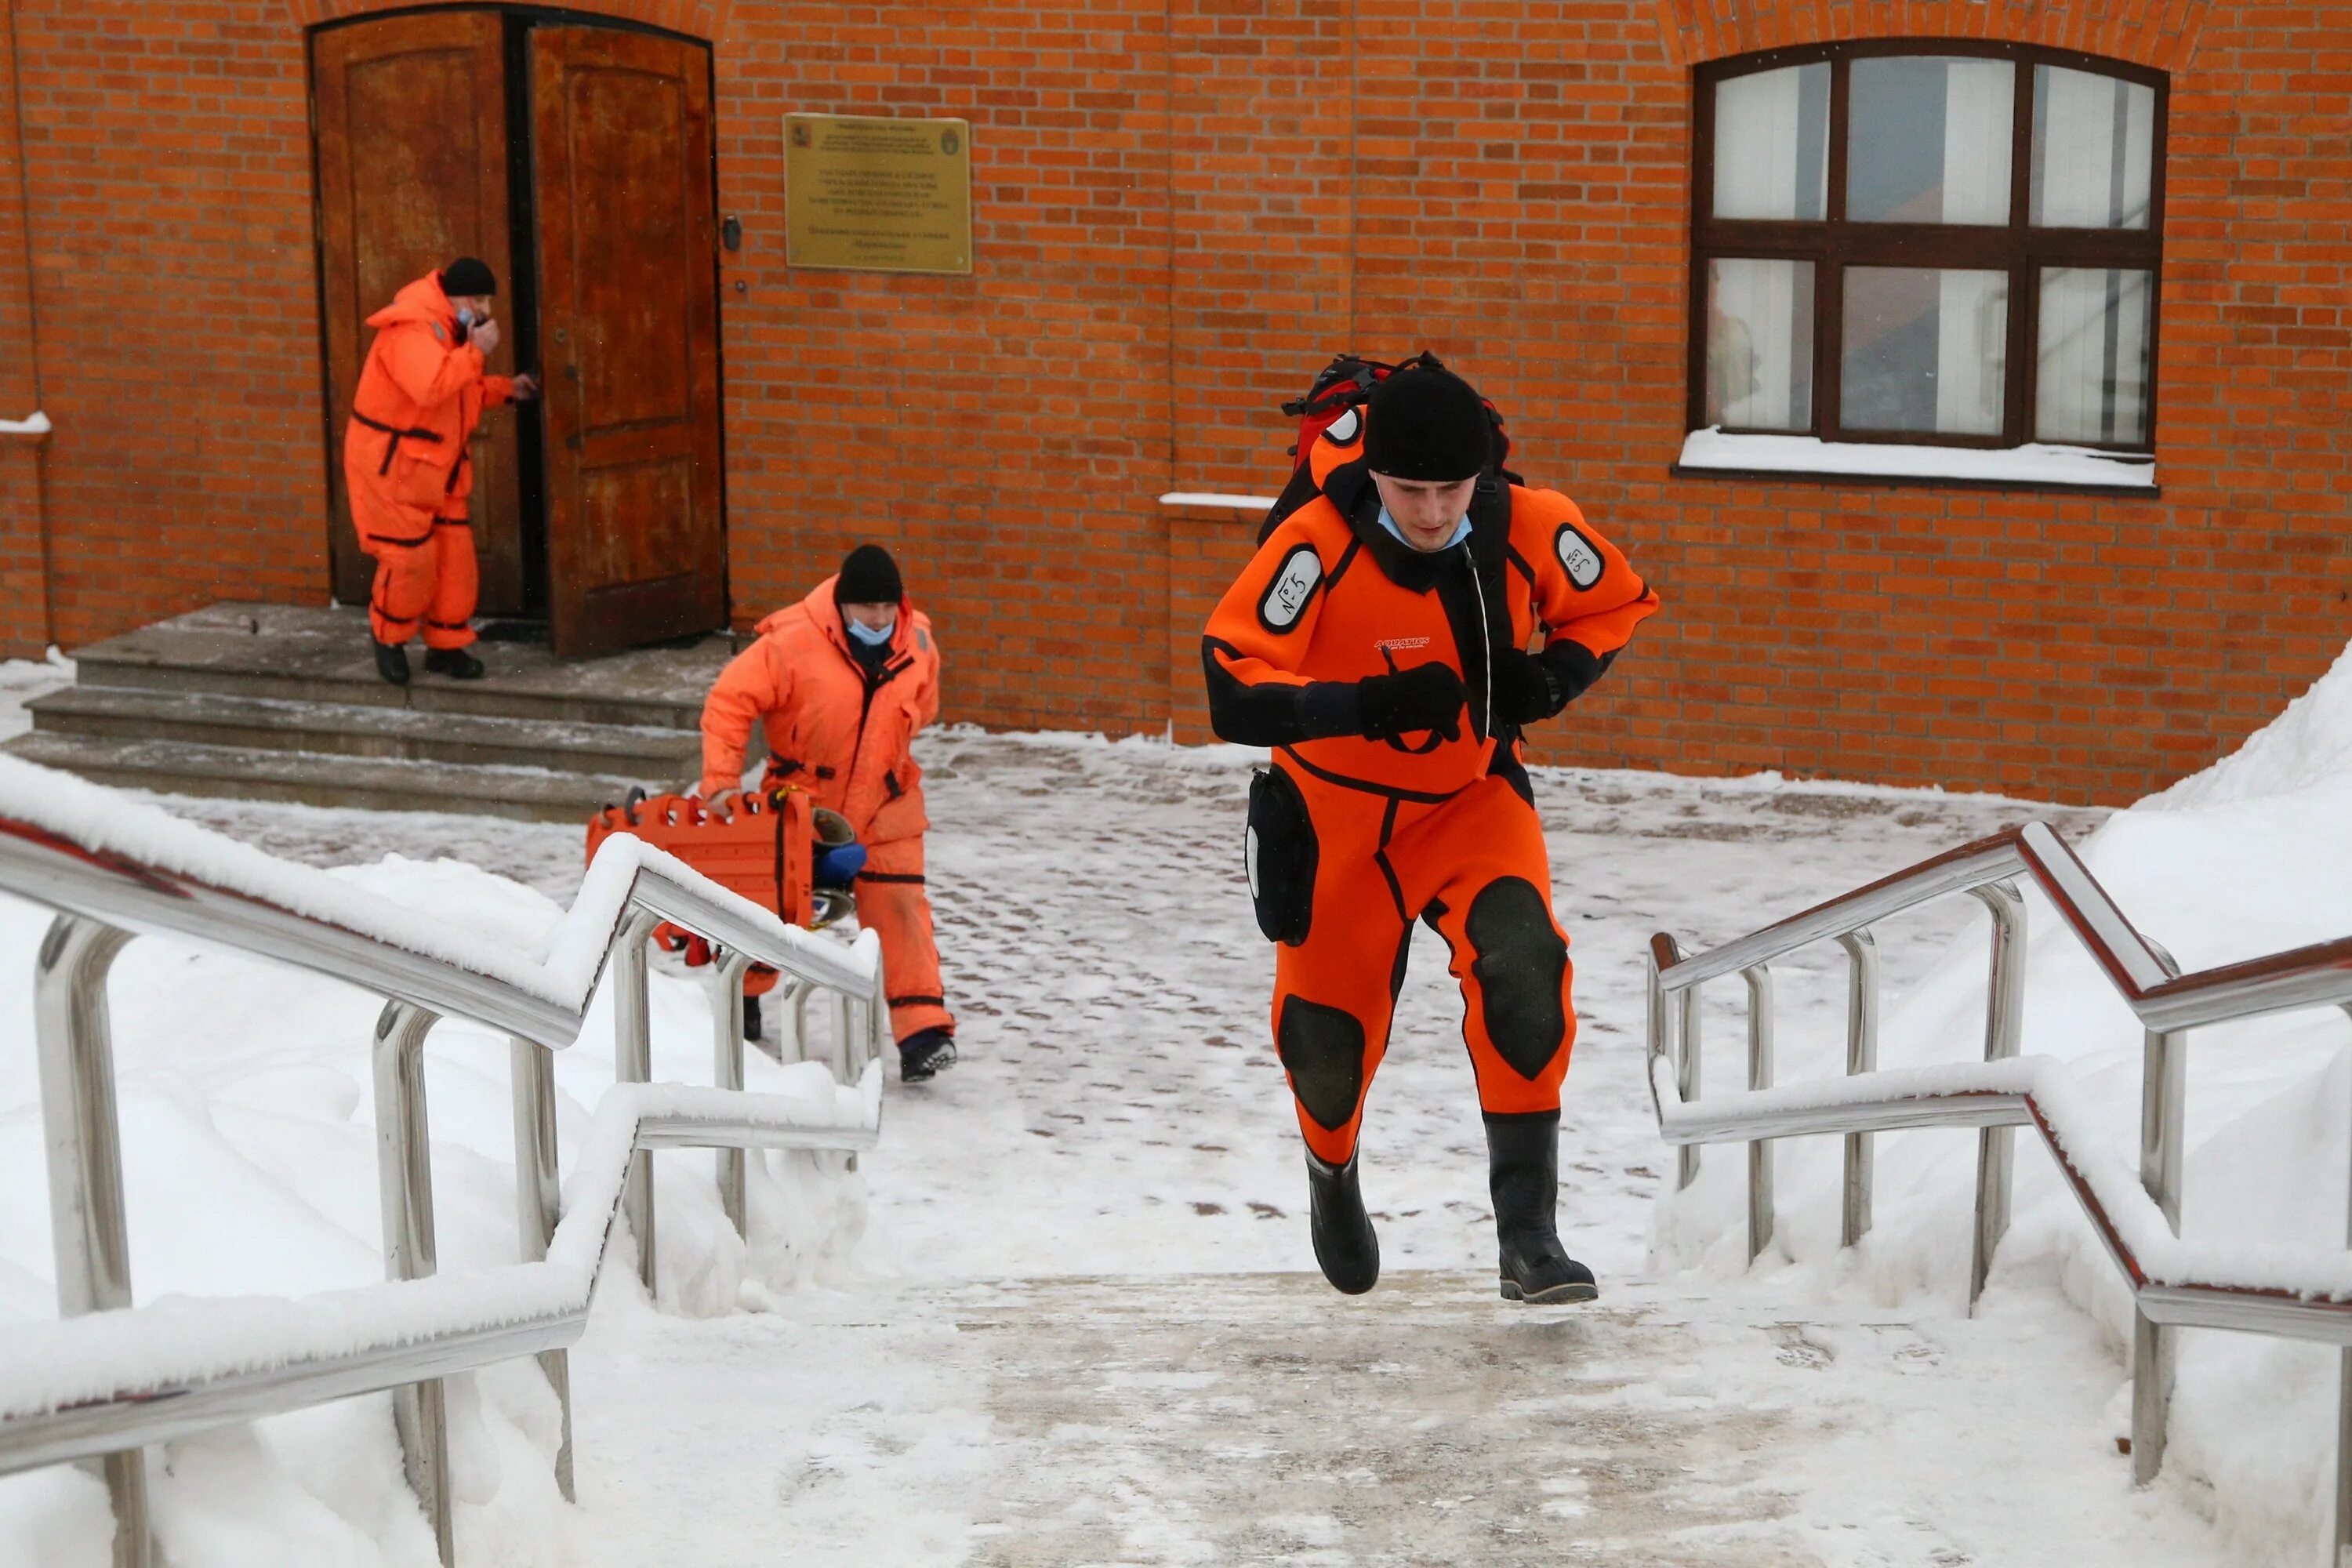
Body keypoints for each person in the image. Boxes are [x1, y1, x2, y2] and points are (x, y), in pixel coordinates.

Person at [1201, 361, 1660, 1302]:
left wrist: (1559, 675)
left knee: (1525, 968)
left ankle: (1530, 1237)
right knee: (1327, 1046)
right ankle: (1332, 1172)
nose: (1432, 509)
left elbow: (1612, 602)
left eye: (1453, 488)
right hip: (1338, 817)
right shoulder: (1314, 542)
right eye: (1411, 489)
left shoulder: (1525, 523)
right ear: (1374, 470)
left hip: (1468, 800)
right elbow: (1230, 685)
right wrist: (1364, 703)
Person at [699, 545, 958, 1082]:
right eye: (867, 609)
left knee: (902, 910)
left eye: (888, 608)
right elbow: (729, 700)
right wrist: (722, 784)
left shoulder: (920, 642)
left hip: (888, 804)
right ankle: (744, 999)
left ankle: (924, 1033)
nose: (879, 620)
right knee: (773, 910)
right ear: (842, 605)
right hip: (802, 807)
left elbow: (925, 708)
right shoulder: (791, 641)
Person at [343, 257, 537, 685]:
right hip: (393, 467)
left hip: (435, 465)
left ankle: (446, 648)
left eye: (487, 299)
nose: (484, 308)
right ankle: (388, 638)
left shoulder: (449, 327)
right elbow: (432, 387)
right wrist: (475, 353)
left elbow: (459, 391)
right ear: (454, 296)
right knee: (410, 559)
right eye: (479, 298)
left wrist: (507, 389)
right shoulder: (412, 328)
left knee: (455, 559)